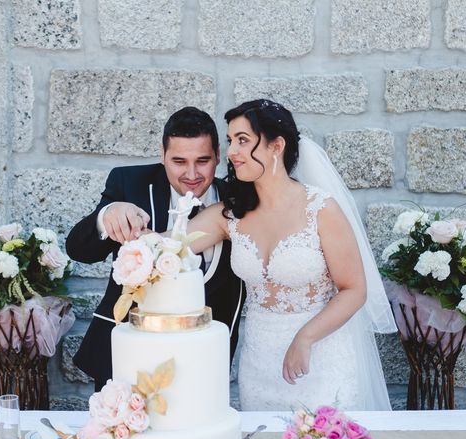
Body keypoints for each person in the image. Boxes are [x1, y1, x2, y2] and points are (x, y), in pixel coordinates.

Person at [187, 99, 396, 410]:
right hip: (259, 364)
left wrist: (306, 337)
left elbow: (354, 290)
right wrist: (120, 213)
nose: (231, 152)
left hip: (319, 359)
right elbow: (170, 245)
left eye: (242, 140)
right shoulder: (229, 215)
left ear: (276, 146)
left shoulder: (321, 209)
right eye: (231, 141)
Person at [66, 107, 245, 391]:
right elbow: (79, 250)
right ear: (162, 156)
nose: (191, 174)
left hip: (202, 364)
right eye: (178, 161)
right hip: (125, 358)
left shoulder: (238, 200)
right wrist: (107, 215)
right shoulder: (130, 184)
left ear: (218, 157)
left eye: (203, 160)